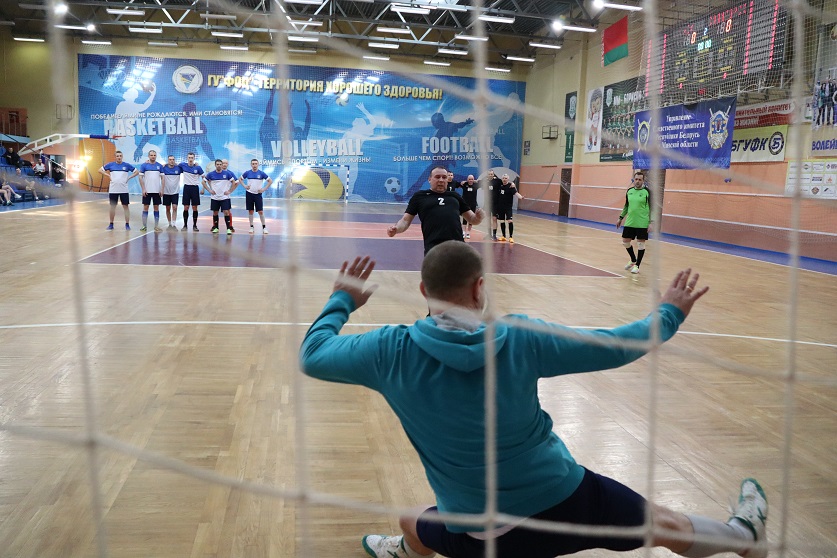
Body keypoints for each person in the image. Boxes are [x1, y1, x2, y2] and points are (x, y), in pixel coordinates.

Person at [299, 242, 769, 558]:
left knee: (410, 520)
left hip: (481, 535)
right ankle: (744, 538)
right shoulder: (521, 337)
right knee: (666, 524)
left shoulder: (388, 351)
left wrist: (343, 299)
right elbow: (620, 344)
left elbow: (313, 355)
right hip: (566, 503)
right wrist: (669, 312)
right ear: (480, 287)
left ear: (424, 291)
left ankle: (403, 551)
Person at [387, 166, 485, 254]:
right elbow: (405, 221)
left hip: (458, 249)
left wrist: (479, 217)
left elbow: (472, 219)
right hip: (433, 251)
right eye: (437, 177)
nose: (441, 180)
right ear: (429, 179)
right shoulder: (419, 196)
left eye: (444, 177)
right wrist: (396, 229)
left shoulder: (455, 196)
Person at [617, 170, 653, 274]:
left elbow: (652, 208)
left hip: (642, 222)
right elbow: (626, 206)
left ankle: (637, 266)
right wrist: (620, 217)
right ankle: (633, 259)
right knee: (625, 241)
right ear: (634, 180)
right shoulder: (629, 191)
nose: (637, 181)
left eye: (640, 180)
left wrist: (651, 222)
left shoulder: (647, 192)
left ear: (643, 181)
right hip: (630, 222)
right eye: (636, 179)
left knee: (640, 244)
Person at [99, 150, 138, 230]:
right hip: (113, 190)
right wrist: (107, 175)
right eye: (117, 156)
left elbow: (136, 172)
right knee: (112, 207)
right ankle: (111, 224)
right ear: (115, 157)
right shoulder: (110, 165)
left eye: (120, 156)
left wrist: (129, 177)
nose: (119, 157)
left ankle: (127, 224)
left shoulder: (126, 165)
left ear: (122, 157)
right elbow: (99, 170)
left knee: (125, 206)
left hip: (124, 190)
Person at [203, 158, 238, 235]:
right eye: (217, 164)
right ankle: (216, 228)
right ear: (215, 165)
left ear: (222, 165)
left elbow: (234, 182)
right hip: (215, 197)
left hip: (224, 197)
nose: (219, 166)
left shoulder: (227, 174)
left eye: (220, 164)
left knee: (226, 212)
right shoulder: (211, 174)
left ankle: (228, 228)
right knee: (215, 212)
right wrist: (209, 190)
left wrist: (230, 191)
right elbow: (203, 182)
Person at [240, 158, 272, 234]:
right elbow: (240, 179)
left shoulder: (261, 173)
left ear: (258, 164)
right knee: (250, 211)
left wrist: (263, 189)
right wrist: (245, 186)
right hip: (249, 194)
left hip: (258, 195)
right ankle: (251, 227)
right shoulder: (247, 173)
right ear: (251, 165)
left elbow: (270, 181)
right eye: (253, 164)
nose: (254, 165)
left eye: (256, 164)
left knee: (260, 211)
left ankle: (264, 227)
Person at [138, 150, 164, 232]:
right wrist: (143, 189)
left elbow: (163, 178)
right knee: (145, 207)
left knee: (156, 208)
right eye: (151, 155)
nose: (153, 156)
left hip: (157, 191)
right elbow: (140, 177)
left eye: (154, 155)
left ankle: (156, 226)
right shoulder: (144, 165)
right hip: (147, 191)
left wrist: (162, 189)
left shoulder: (159, 166)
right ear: (149, 156)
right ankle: (144, 226)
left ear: (156, 156)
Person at [493, 174, 524, 243]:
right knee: (502, 221)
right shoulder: (500, 186)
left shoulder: (511, 186)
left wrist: (521, 197)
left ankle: (510, 237)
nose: (504, 179)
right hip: (500, 207)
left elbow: (516, 193)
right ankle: (503, 236)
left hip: (508, 207)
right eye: (503, 178)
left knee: (510, 221)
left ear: (508, 179)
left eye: (506, 178)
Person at [178, 152, 205, 232]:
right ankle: (185, 225)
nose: (190, 159)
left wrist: (203, 188)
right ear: (187, 158)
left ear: (194, 158)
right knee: (186, 207)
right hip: (186, 188)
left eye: (192, 158)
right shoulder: (183, 165)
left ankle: (195, 225)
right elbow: (173, 164)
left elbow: (204, 178)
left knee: (194, 207)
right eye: (189, 157)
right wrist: (165, 164)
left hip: (195, 188)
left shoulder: (198, 168)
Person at [161, 154, 182, 229]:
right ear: (168, 160)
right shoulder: (163, 168)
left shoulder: (179, 168)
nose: (172, 161)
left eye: (173, 159)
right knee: (167, 208)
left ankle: (173, 224)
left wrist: (196, 164)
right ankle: (169, 224)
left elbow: (188, 167)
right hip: (166, 192)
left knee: (175, 207)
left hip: (175, 192)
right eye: (170, 159)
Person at [457, 174, 480, 240]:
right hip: (465, 204)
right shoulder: (464, 184)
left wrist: (476, 181)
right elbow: (458, 184)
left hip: (473, 204)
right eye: (469, 179)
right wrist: (463, 182)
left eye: (472, 179)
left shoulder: (476, 185)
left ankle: (468, 233)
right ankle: (464, 232)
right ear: (467, 179)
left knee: (471, 219)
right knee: (465, 218)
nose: (470, 180)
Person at [483, 170, 502, 240]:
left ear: (493, 174)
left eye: (491, 174)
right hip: (487, 203)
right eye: (489, 174)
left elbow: (505, 182)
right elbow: (477, 182)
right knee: (488, 219)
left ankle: (494, 235)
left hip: (495, 203)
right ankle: (489, 234)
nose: (490, 175)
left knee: (494, 219)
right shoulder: (485, 181)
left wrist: (512, 183)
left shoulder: (497, 181)